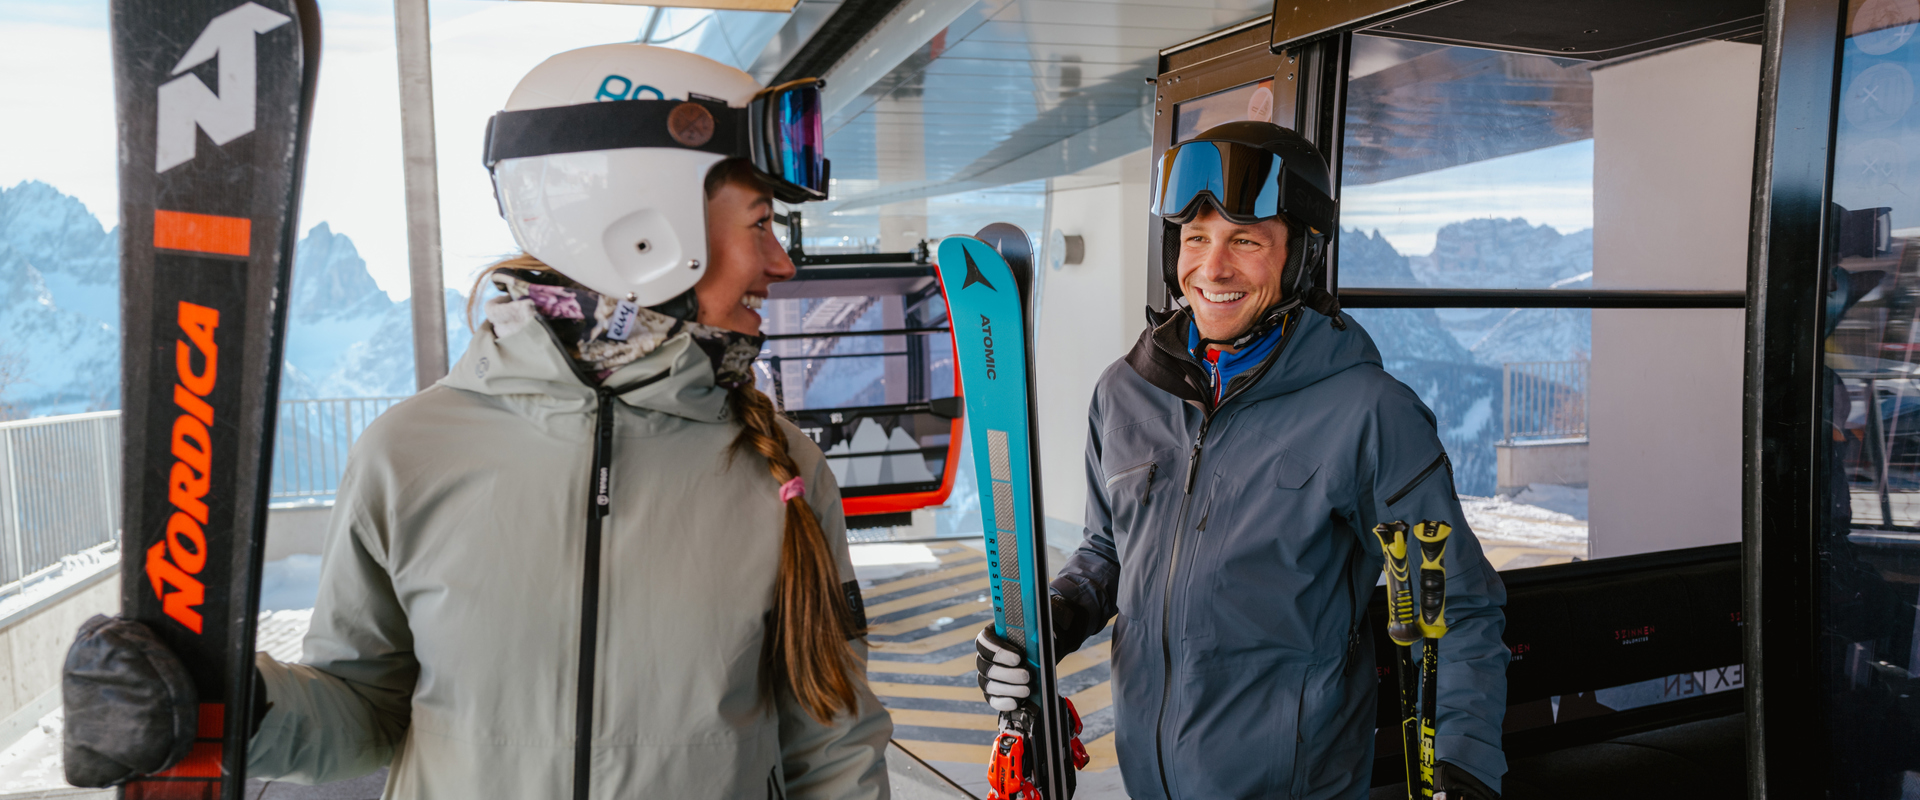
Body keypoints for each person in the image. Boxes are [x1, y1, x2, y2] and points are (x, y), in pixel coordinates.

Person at [62, 44, 891, 798]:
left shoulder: (779, 467)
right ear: (647, 230)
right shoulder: (410, 455)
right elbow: (365, 716)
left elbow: (835, 746)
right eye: (761, 224)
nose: (781, 263)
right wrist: (235, 711)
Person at [974, 122, 1509, 799]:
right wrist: (1055, 616)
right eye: (1195, 238)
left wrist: (1461, 769)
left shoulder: (1367, 413)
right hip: (1150, 782)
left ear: (1301, 260)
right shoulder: (1125, 392)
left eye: (1246, 241)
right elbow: (1108, 551)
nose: (1213, 268)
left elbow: (1455, 607)